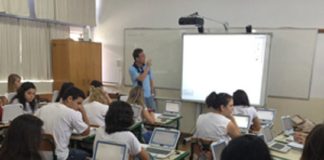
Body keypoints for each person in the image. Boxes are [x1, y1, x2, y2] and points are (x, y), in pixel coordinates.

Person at [35, 87, 90, 160]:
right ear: (69, 99)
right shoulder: (72, 113)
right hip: (60, 156)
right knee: (86, 154)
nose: (79, 107)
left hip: (40, 154)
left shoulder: (43, 108)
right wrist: (84, 112)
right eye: (79, 103)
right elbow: (86, 132)